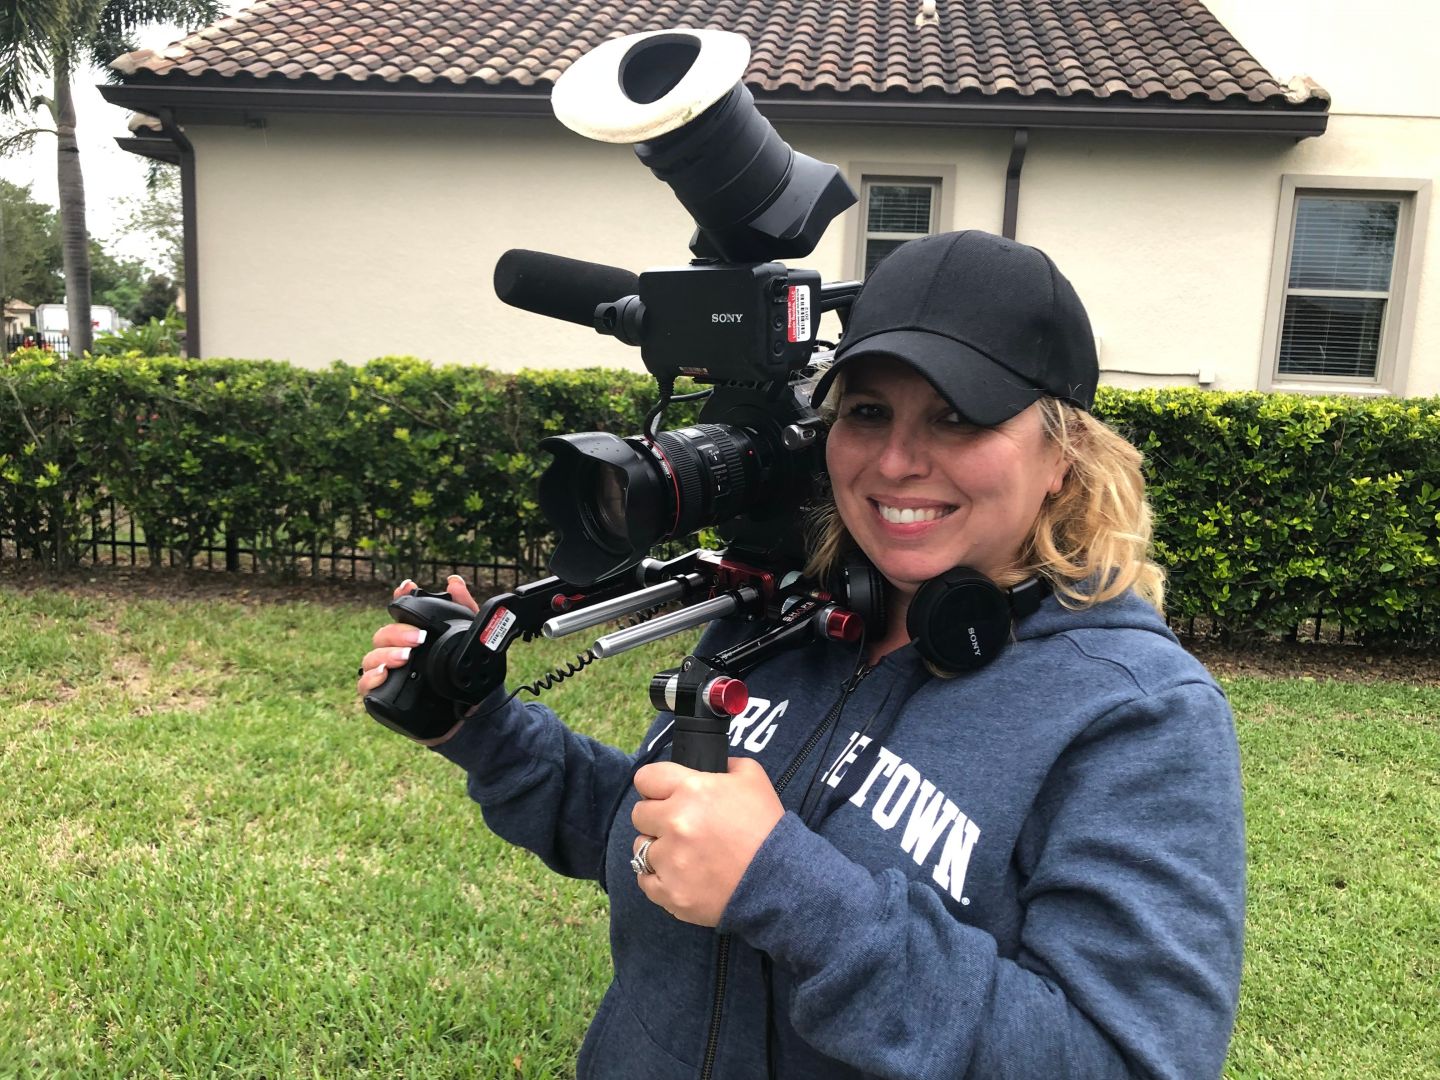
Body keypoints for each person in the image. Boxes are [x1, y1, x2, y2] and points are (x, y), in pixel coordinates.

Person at [357, 230, 1246, 1079]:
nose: (895, 461)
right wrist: (481, 728)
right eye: (867, 412)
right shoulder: (790, 612)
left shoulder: (1138, 714)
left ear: (1064, 455)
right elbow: (663, 838)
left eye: (957, 418)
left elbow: (1130, 1060)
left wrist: (785, 886)